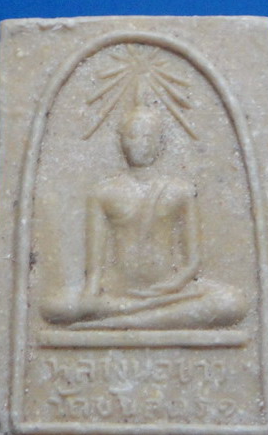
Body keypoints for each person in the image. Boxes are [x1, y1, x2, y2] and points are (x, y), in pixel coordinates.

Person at [42, 103, 247, 329]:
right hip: (117, 290)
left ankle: (125, 319)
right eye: (132, 136)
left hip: (170, 291)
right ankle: (147, 314)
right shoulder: (103, 192)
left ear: (160, 142)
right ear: (121, 141)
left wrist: (173, 285)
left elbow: (192, 262)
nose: (140, 143)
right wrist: (91, 294)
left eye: (148, 136)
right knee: (52, 307)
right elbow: (95, 267)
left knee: (233, 302)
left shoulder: (181, 191)